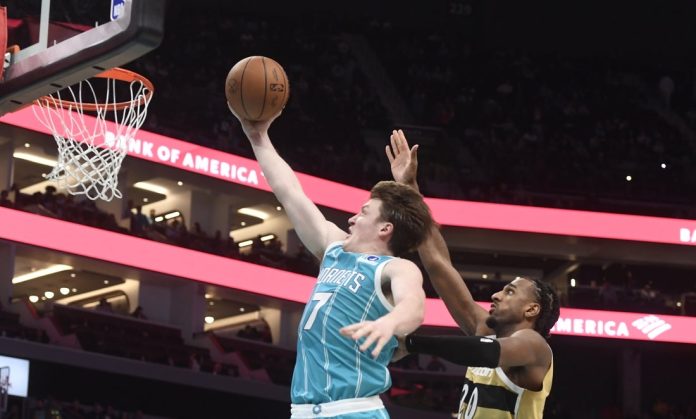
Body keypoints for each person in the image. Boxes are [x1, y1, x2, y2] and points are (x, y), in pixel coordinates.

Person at [230, 108, 434, 418]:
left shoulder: (395, 268)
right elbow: (289, 192)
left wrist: (389, 323)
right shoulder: (333, 249)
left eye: (363, 212)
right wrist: (257, 137)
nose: (352, 218)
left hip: (354, 411)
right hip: (304, 411)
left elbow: (414, 305)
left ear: (385, 229)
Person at [386, 129, 560, 419]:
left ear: (531, 309)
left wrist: (412, 343)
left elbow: (486, 352)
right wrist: (410, 189)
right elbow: (439, 264)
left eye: (510, 291)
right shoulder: (485, 330)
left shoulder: (534, 346)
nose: (496, 294)